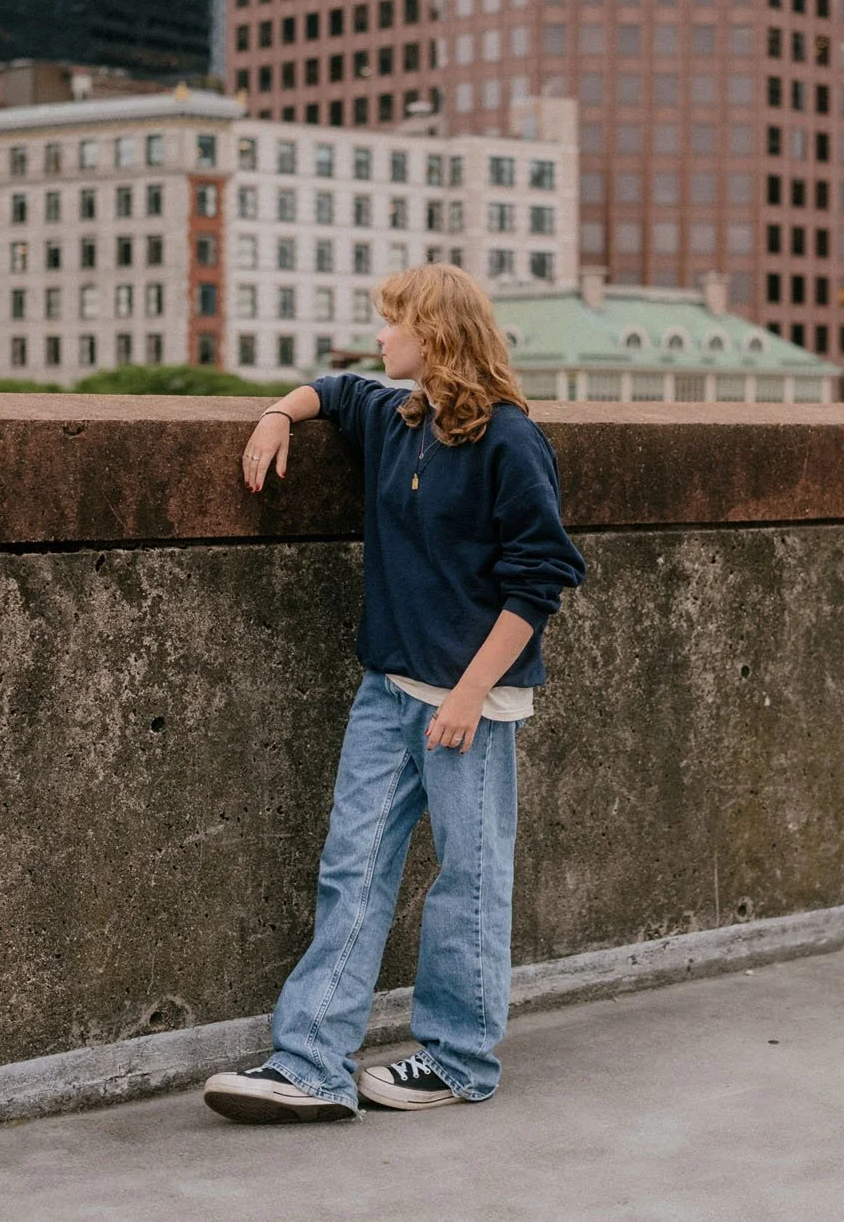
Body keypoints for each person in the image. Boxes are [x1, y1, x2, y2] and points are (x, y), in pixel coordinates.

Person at [202, 263, 586, 1124]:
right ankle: (312, 1062)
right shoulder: (396, 414)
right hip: (388, 690)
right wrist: (275, 414)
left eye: (392, 323)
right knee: (354, 865)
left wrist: (467, 693)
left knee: (469, 879)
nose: (381, 338)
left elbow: (542, 579)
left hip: (468, 703)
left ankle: (458, 1058)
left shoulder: (511, 441)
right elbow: (332, 391)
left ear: (435, 333)